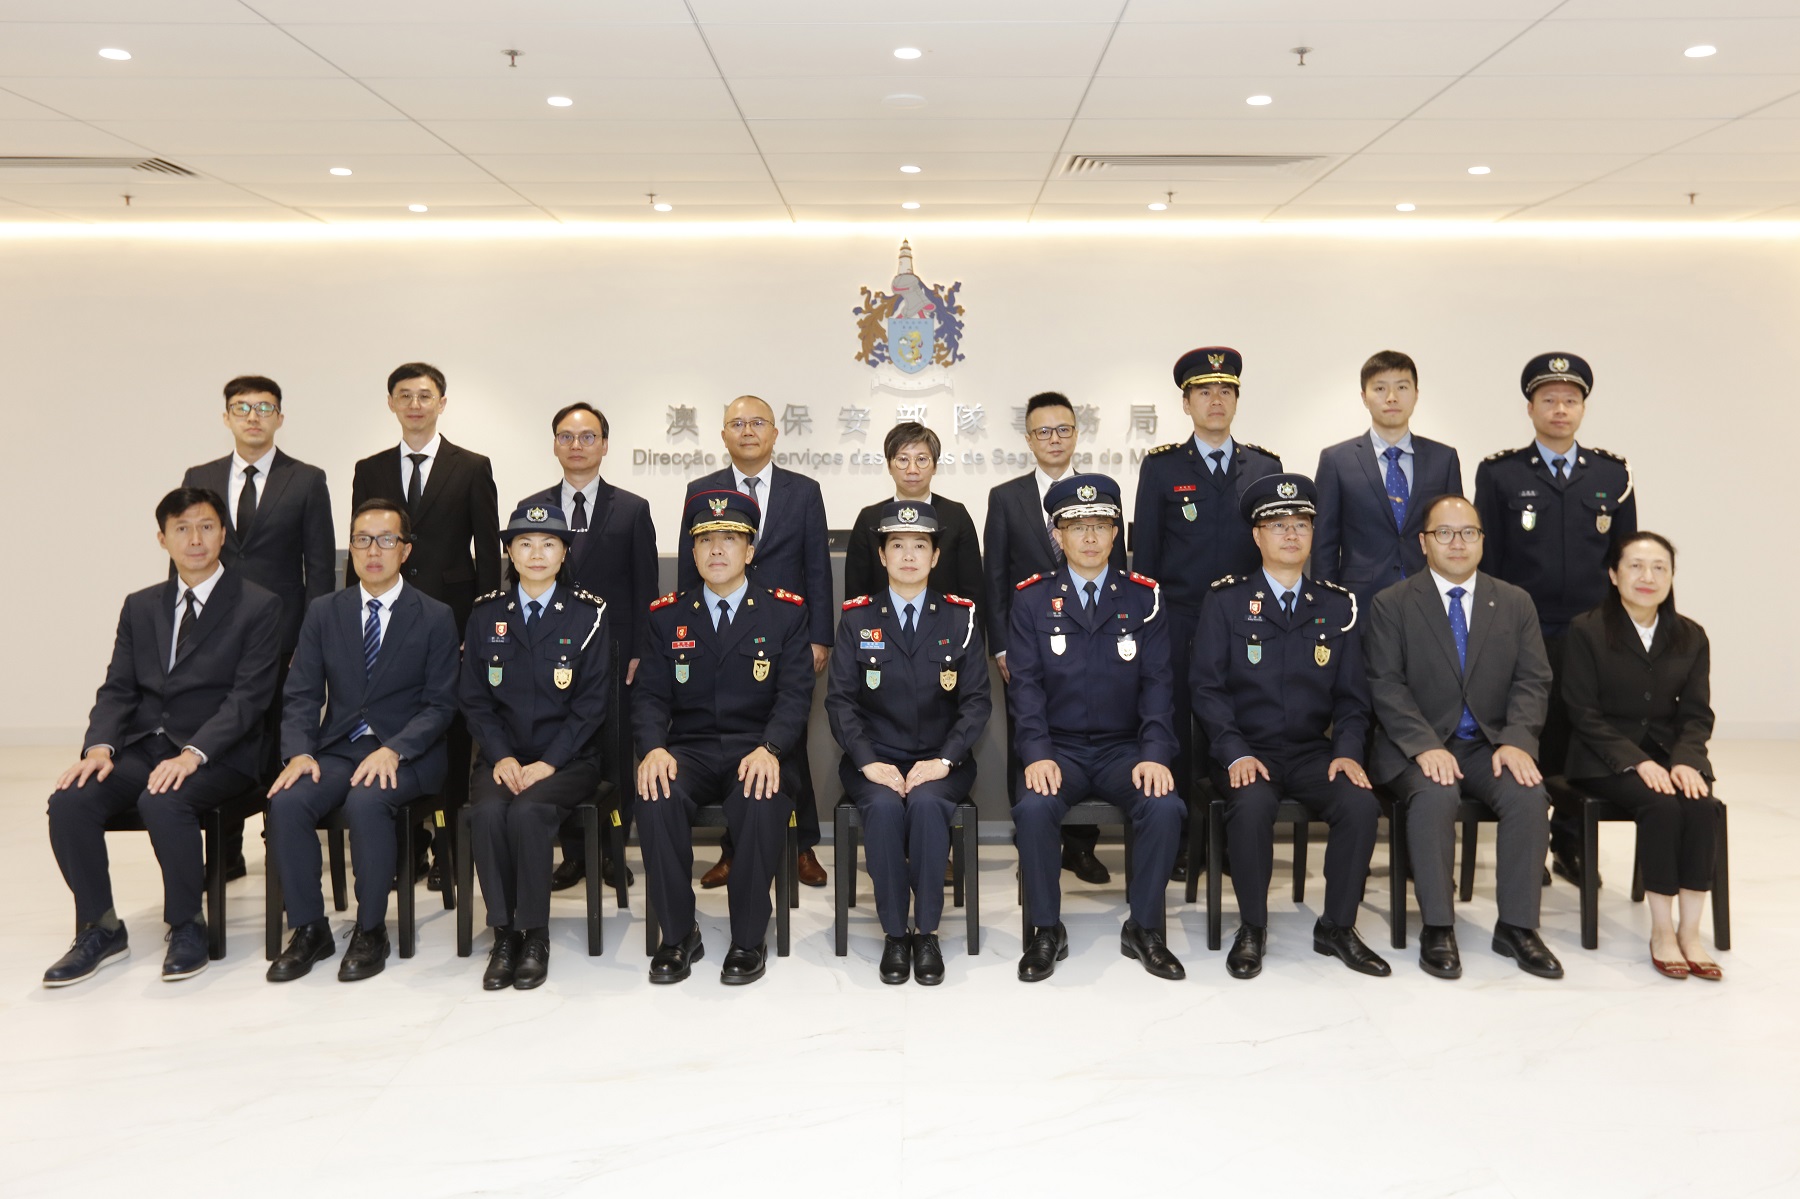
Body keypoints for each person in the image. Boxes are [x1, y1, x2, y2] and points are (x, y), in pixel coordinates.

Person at [43, 488, 282, 986]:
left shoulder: (259, 605)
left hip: (221, 752)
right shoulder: (140, 606)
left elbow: (249, 698)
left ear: (223, 534)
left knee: (164, 798)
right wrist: (99, 747)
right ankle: (100, 927)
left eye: (206, 527)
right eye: (182, 529)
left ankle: (187, 924)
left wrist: (194, 752)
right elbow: (118, 687)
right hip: (144, 746)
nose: (195, 539)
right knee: (69, 799)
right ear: (162, 539)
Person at [1192, 473, 1389, 980]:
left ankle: (1337, 926)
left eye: (1300, 524)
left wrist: (1347, 751)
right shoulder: (1226, 601)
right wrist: (1234, 751)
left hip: (1310, 751)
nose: (1290, 534)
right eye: (1278, 525)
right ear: (1257, 536)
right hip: (1246, 749)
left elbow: (1352, 699)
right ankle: (1253, 927)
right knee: (1252, 804)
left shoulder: (1337, 605)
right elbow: (1207, 689)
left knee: (1359, 804)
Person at [1363, 495, 1563, 980]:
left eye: (1468, 532)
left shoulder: (1514, 602)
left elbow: (1533, 680)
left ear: (1482, 540)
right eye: (1444, 533)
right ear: (1423, 543)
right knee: (1435, 795)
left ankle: (1517, 926)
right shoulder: (1392, 603)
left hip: (1488, 745)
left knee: (1528, 795)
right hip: (1417, 746)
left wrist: (1517, 740)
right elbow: (1385, 684)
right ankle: (1437, 925)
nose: (1458, 542)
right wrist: (1424, 745)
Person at [265, 499, 460, 983]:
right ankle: (310, 928)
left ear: (405, 550)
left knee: (367, 801)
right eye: (362, 540)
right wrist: (299, 752)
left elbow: (441, 704)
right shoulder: (324, 612)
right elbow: (302, 693)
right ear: (350, 549)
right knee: (287, 801)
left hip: (408, 752)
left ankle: (371, 929)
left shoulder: (434, 615)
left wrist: (395, 749)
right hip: (340, 748)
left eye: (386, 540)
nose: (373, 550)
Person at [1009, 475, 1185, 983]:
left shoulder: (1144, 597)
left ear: (1115, 535)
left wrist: (1155, 754)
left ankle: (1144, 927)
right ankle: (1046, 929)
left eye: (1101, 525)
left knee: (1164, 805)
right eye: (1076, 526)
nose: (1089, 536)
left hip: (1124, 750)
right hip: (1058, 749)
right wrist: (1036, 753)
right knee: (1033, 808)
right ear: (1058, 536)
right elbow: (1026, 688)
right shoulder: (1032, 600)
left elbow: (1158, 684)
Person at [636, 490, 814, 986]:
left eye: (730, 538)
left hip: (757, 747)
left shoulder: (784, 613)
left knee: (760, 798)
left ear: (750, 550)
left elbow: (795, 695)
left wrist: (771, 749)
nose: (716, 549)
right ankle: (678, 934)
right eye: (705, 540)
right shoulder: (667, 616)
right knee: (655, 794)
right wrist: (653, 749)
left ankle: (748, 938)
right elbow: (649, 696)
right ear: (693, 553)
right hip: (689, 749)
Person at [1474, 352, 1635, 886]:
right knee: (1528, 731)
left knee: (1583, 736)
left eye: (1570, 400)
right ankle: (1528, 842)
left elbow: (1626, 557)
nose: (1560, 409)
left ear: (1583, 407)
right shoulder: (1500, 473)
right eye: (1549, 400)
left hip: (1592, 633)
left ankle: (1571, 844)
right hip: (1524, 629)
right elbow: (1487, 561)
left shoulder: (1613, 473)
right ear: (1530, 407)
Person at [349, 362, 501, 889]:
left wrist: (479, 624)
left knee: (452, 732)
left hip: (451, 617)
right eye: (405, 395)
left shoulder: (471, 466)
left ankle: (449, 851)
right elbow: (360, 546)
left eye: (425, 395)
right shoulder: (369, 468)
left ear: (442, 403)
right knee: (392, 721)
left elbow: (488, 553)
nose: (415, 404)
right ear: (391, 403)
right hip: (385, 618)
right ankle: (405, 846)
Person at [826, 501, 991, 985]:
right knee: (882, 809)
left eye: (920, 546)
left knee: (926, 805)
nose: (909, 555)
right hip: (874, 759)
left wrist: (944, 760)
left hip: (942, 759)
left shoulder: (960, 618)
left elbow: (976, 703)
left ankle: (928, 933)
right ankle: (896, 933)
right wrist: (867, 762)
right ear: (882, 555)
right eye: (897, 545)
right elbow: (840, 702)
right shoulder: (857, 618)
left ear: (936, 557)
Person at [1132, 349, 1281, 876]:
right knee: (1174, 727)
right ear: (1186, 402)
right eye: (1204, 391)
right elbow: (1146, 559)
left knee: (1239, 724)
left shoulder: (1263, 467)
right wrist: (1147, 626)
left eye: (1225, 391)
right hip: (1178, 618)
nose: (1215, 400)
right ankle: (1179, 842)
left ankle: (1233, 841)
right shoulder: (1162, 467)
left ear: (1236, 399)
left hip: (1246, 623)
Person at [181, 374, 335, 879]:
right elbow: (186, 553)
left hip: (284, 636)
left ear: (280, 418)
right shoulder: (200, 475)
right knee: (216, 734)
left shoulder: (306, 479)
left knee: (277, 739)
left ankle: (280, 849)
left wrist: (313, 641)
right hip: (215, 634)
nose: (253, 416)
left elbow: (319, 568)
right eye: (242, 407)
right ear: (225, 417)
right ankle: (224, 851)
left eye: (264, 407)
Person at [679, 396, 832, 890]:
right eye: (737, 423)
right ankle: (734, 851)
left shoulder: (803, 491)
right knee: (728, 737)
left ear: (775, 433)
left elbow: (817, 567)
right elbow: (689, 569)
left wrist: (819, 636)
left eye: (757, 422)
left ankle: (801, 844)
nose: (748, 431)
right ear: (723, 434)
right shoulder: (701, 490)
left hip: (785, 632)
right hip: (721, 634)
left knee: (787, 740)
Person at [459, 505, 610, 991]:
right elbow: (474, 698)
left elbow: (592, 704)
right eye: (525, 543)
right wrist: (502, 755)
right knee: (487, 813)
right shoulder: (486, 614)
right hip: (501, 757)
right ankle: (505, 935)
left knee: (528, 812)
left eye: (549, 543)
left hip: (569, 759)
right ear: (509, 551)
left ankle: (535, 935)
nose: (537, 553)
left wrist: (549, 762)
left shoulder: (589, 614)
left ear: (564, 553)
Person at [1562, 532, 1722, 981]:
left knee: (1701, 805)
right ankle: (1662, 931)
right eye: (1635, 566)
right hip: (1602, 757)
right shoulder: (1586, 630)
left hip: (1670, 755)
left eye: (1659, 567)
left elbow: (1696, 714)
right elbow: (1582, 713)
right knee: (1662, 805)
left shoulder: (1690, 635)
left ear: (1671, 577)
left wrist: (1686, 760)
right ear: (1614, 575)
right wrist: (1637, 761)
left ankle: (1690, 933)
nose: (1647, 576)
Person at [983, 392, 1124, 886]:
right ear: (1028, 439)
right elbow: (995, 577)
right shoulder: (1006, 497)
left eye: (1063, 429)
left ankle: (1081, 850)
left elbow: (1117, 573)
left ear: (1076, 434)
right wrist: (1002, 646)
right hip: (1027, 646)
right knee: (1029, 739)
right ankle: (1033, 847)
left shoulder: (1103, 496)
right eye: (1043, 431)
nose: (1054, 439)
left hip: (1095, 644)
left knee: (1095, 733)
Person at [516, 402, 656, 892]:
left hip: (615, 654)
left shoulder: (632, 508)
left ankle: (613, 852)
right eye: (566, 436)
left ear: (605, 444)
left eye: (588, 436)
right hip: (548, 656)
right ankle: (573, 853)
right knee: (564, 750)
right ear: (555, 444)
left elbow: (645, 587)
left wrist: (640, 650)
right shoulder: (533, 508)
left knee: (616, 755)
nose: (577, 445)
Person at [1312, 350, 1464, 609]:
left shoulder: (1443, 459)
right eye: (1380, 388)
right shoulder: (1336, 461)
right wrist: (1324, 608)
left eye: (1402, 387)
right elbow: (1324, 545)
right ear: (1364, 397)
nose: (1392, 397)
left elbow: (1454, 536)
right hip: (1360, 603)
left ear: (1416, 394)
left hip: (1430, 600)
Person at [843, 422, 984, 605]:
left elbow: (973, 590)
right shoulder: (869, 518)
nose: (912, 470)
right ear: (889, 465)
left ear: (935, 466)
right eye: (903, 460)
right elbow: (856, 592)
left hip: (946, 622)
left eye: (922, 459)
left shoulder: (957, 516)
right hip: (881, 621)